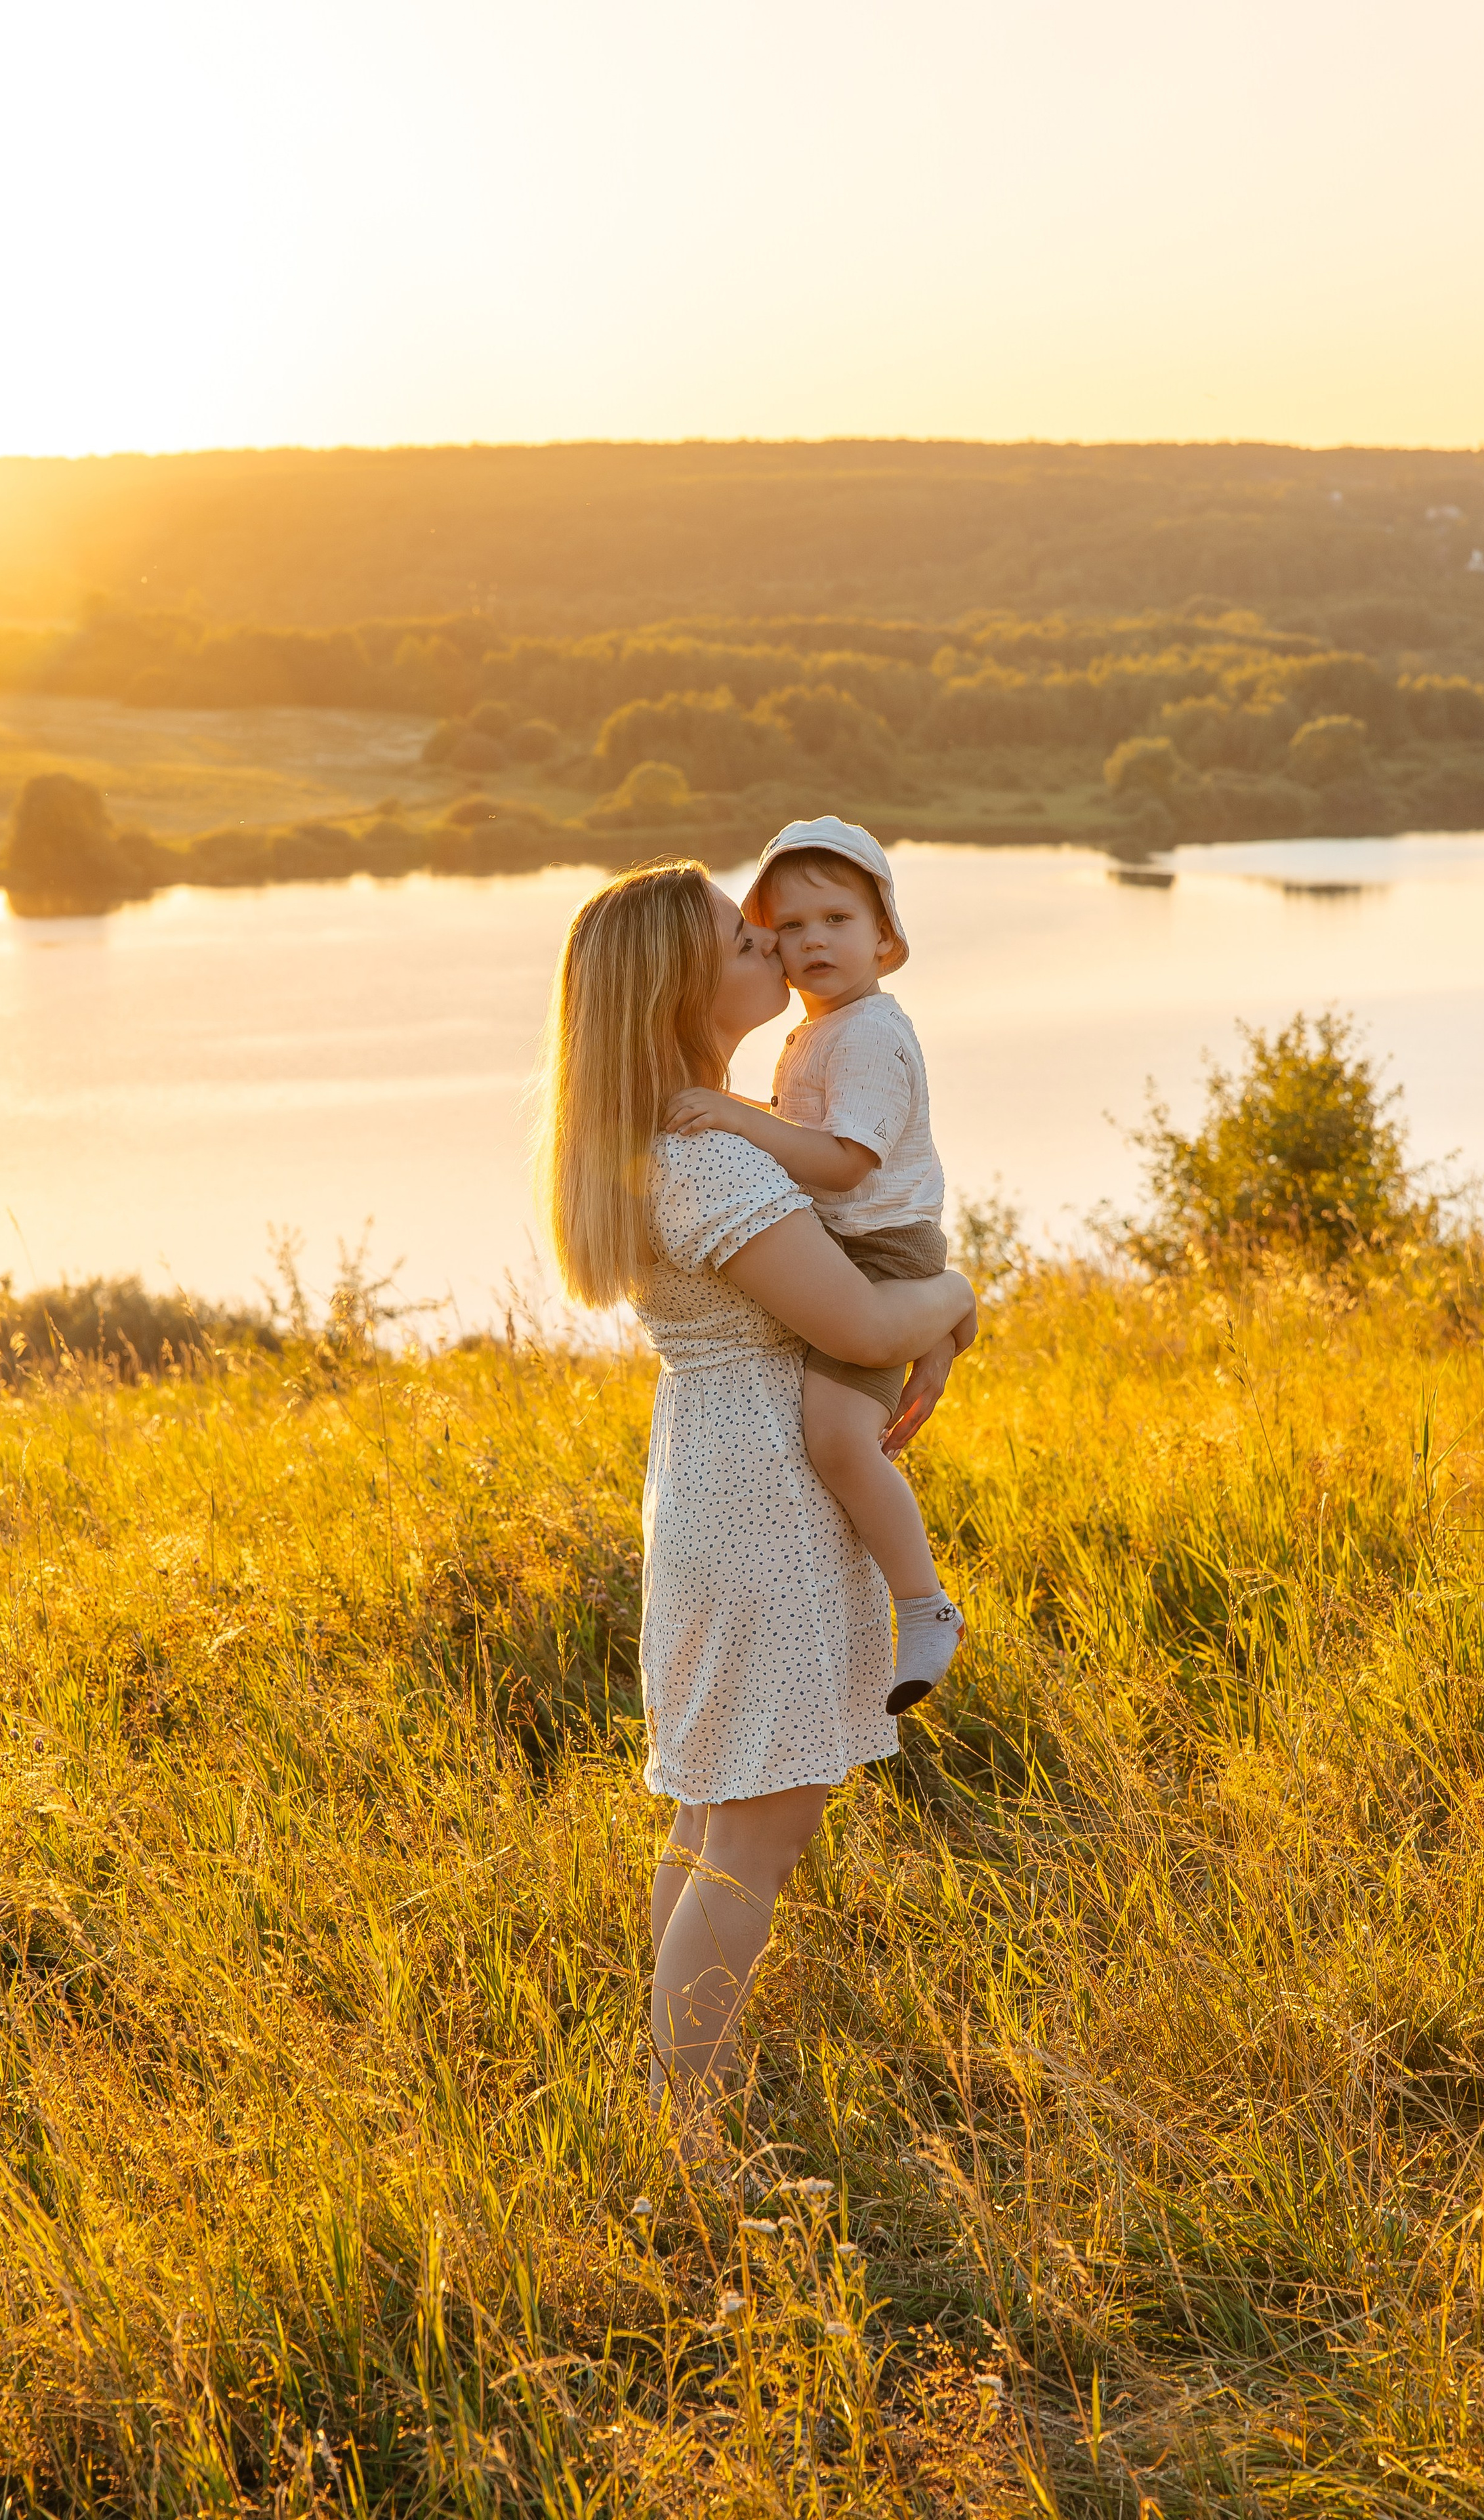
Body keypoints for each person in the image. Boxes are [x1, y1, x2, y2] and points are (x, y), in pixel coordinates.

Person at [537, 858, 976, 2143]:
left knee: (715, 1817)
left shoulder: (682, 1139)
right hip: (759, 1502)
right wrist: (949, 1302)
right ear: (681, 983)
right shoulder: (709, 1162)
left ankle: (683, 2116)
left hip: (719, 1479)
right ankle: (693, 2150)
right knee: (754, 1842)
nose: (773, 941)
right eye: (743, 935)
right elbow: (850, 1313)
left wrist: (924, 1317)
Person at [666, 817, 969, 1713]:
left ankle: (923, 1604)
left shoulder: (870, 1033)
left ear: (886, 938)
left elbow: (843, 1163)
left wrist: (732, 1115)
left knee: (840, 1435)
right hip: (853, 1250)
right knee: (832, 1432)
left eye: (837, 919)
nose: (811, 942)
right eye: (789, 928)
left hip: (883, 1251)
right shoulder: (822, 1031)